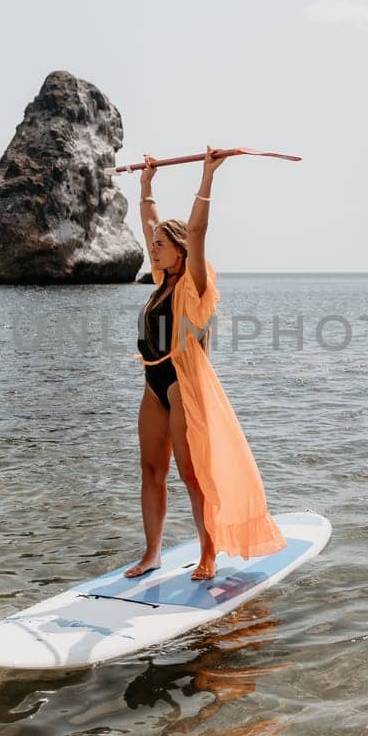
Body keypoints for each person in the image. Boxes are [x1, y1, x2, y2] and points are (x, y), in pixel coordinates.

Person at [129, 146, 286, 581]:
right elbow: (149, 224)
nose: (153, 250)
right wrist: (146, 186)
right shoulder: (161, 281)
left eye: (161, 246)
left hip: (182, 385)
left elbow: (196, 232)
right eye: (154, 246)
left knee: (191, 474)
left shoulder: (195, 286)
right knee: (151, 471)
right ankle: (152, 554)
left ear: (179, 252)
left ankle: (208, 553)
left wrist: (207, 176)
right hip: (151, 384)